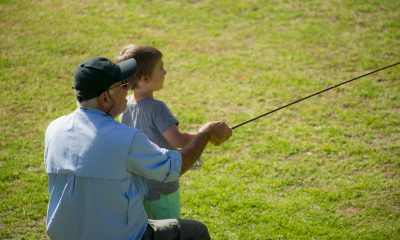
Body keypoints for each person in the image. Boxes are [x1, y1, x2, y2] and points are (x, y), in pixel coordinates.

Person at [44, 56, 232, 240]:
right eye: (122, 86)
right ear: (104, 98)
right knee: (196, 232)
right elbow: (174, 168)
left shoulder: (54, 128)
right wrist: (206, 134)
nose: (128, 89)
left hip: (65, 235)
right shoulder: (124, 138)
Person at [117, 45, 201, 220]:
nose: (165, 72)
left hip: (138, 188)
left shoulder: (124, 106)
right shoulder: (157, 109)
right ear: (145, 79)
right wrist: (204, 135)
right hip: (163, 188)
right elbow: (178, 140)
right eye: (161, 68)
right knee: (169, 230)